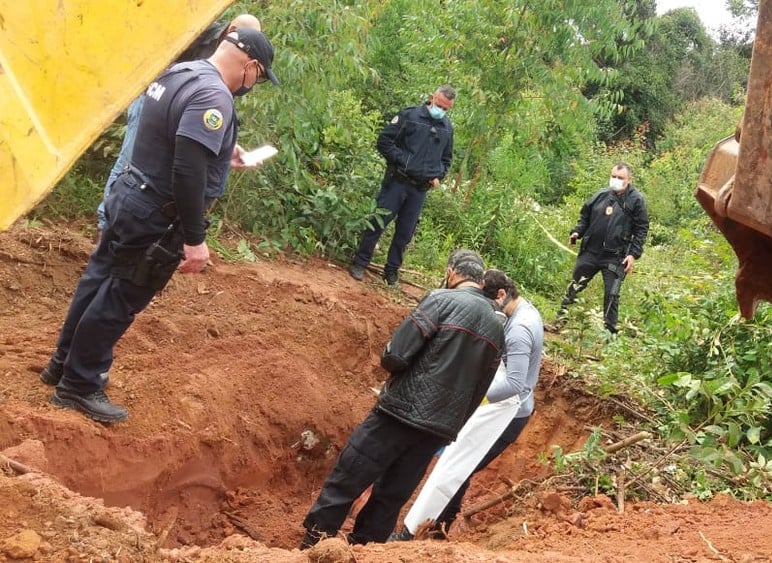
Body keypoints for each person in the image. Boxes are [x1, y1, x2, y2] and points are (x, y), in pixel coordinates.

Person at [38, 29, 279, 423]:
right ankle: (78, 386)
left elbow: (172, 138)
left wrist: (221, 151)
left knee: (97, 280)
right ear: (250, 66)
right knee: (120, 297)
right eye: (259, 76)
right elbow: (186, 171)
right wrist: (194, 238)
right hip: (153, 212)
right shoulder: (214, 96)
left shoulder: (180, 72)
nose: (254, 83)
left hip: (128, 193)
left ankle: (61, 363)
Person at [301, 250, 505, 548]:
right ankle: (367, 550)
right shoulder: (497, 328)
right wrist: (451, 426)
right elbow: (479, 390)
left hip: (398, 413)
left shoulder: (440, 299)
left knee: (349, 476)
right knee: (392, 496)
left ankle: (313, 544)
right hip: (436, 429)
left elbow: (395, 356)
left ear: (452, 273)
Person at [390, 269, 544, 541]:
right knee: (459, 467)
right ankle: (440, 526)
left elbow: (515, 384)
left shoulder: (519, 330)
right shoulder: (523, 311)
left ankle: (421, 530)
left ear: (501, 295)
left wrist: (473, 400)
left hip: (507, 413)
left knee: (457, 467)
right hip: (503, 407)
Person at [95, 14, 263, 239]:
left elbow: (204, 113)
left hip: (181, 112)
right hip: (154, 99)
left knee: (161, 171)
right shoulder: (197, 33)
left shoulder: (237, 65)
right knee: (130, 163)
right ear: (232, 30)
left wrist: (222, 142)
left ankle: (150, 234)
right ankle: (106, 225)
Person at [348, 85, 456, 285]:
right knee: (377, 223)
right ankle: (360, 263)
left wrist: (438, 175)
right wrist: (404, 161)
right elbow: (384, 141)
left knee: (405, 233)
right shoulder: (410, 116)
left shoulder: (447, 128)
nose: (441, 110)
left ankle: (391, 271)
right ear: (432, 98)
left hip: (420, 189)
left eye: (446, 109)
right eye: (439, 105)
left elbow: (447, 160)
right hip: (397, 181)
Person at [552, 162, 649, 334]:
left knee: (611, 295)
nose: (616, 180)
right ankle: (559, 321)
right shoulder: (600, 195)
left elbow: (641, 229)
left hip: (616, 255)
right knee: (575, 285)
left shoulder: (636, 200)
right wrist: (577, 232)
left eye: (620, 178)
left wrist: (633, 255)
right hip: (591, 250)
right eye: (614, 176)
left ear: (629, 179)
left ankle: (609, 335)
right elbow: (585, 218)